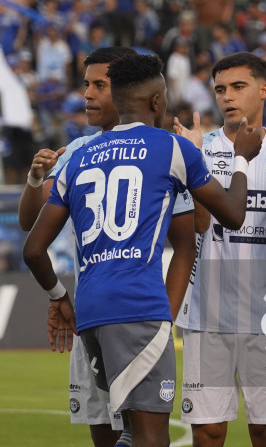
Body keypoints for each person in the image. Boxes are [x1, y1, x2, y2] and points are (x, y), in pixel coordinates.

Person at [22, 53, 263, 447]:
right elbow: (232, 215)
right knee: (152, 436)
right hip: (139, 309)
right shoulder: (171, 148)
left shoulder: (78, 157)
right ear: (156, 101)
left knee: (129, 434)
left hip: (91, 314)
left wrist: (59, 297)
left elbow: (33, 249)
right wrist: (241, 157)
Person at [16, 46, 196, 447]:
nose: (88, 94)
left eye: (101, 85)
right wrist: (33, 178)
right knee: (111, 434)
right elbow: (30, 223)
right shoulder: (78, 151)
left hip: (130, 312)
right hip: (90, 315)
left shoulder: (161, 149)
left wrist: (165, 316)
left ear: (128, 92)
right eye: (86, 85)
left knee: (142, 432)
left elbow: (186, 239)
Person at [173, 53, 266, 447]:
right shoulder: (196, 150)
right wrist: (192, 163)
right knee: (208, 432)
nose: (227, 97)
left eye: (238, 87)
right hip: (207, 315)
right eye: (221, 90)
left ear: (264, 90)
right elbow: (198, 226)